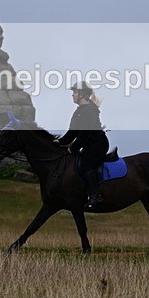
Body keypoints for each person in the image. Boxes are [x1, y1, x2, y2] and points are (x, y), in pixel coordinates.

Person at [54, 82, 108, 210]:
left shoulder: (89, 111)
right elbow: (73, 131)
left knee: (85, 164)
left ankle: (95, 196)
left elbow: (86, 133)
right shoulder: (79, 111)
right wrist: (61, 142)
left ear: (82, 94)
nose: (72, 95)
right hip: (88, 143)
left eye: (74, 92)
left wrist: (73, 148)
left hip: (98, 144)